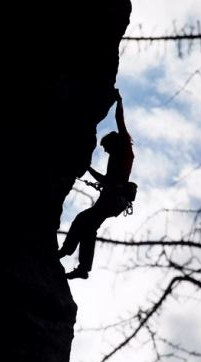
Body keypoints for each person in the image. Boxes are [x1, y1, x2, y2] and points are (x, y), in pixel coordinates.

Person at [58, 88, 134, 279]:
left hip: (113, 199)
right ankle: (80, 265)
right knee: (87, 225)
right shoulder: (118, 156)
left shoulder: (124, 149)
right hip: (111, 199)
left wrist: (119, 101)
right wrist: (89, 170)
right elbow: (107, 180)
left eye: (107, 148)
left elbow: (120, 122)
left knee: (84, 222)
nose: (106, 152)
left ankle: (68, 253)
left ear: (113, 143)